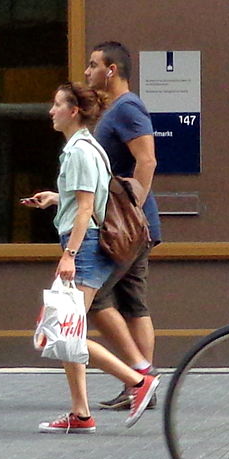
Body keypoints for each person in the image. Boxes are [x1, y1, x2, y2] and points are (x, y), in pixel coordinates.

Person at [23, 83, 160, 433]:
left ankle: (137, 380)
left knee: (62, 332)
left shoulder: (81, 151)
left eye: (56, 105)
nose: (50, 111)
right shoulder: (83, 148)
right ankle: (81, 413)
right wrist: (56, 198)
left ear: (73, 112)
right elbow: (87, 198)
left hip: (83, 249)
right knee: (68, 329)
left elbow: (86, 209)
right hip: (82, 245)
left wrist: (69, 255)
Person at [83, 41, 162, 410]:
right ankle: (142, 385)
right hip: (132, 227)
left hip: (126, 228)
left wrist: (136, 205)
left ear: (111, 70)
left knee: (96, 297)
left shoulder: (128, 107)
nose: (88, 72)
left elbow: (147, 159)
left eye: (93, 65)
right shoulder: (115, 109)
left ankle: (140, 377)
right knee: (133, 304)